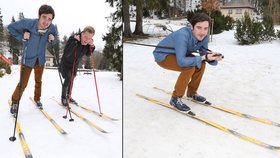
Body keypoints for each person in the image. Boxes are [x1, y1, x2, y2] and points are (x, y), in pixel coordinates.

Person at [153, 13, 223, 113]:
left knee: (201, 64)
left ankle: (192, 93)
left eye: (205, 28)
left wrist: (213, 57)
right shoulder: (183, 35)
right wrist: (204, 57)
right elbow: (182, 62)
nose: (202, 32)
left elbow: (203, 56)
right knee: (190, 66)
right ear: (191, 26)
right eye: (199, 27)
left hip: (180, 55)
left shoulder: (205, 37)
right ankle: (175, 98)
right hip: (163, 56)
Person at [9, 4, 57, 114]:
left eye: (49, 19)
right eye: (44, 17)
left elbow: (55, 38)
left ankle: (37, 99)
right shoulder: (28, 23)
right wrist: (22, 36)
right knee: (23, 83)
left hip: (40, 60)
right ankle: (15, 102)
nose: (46, 21)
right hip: (28, 59)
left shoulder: (51, 28)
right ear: (39, 16)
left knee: (38, 81)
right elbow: (11, 27)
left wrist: (52, 39)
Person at [59, 26, 95, 106]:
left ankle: (69, 96)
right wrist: (75, 42)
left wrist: (92, 46)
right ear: (82, 33)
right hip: (66, 63)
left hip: (74, 65)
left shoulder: (88, 44)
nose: (87, 40)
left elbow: (88, 54)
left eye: (90, 38)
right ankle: (63, 98)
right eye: (86, 37)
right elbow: (67, 53)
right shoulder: (73, 39)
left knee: (72, 80)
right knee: (68, 78)